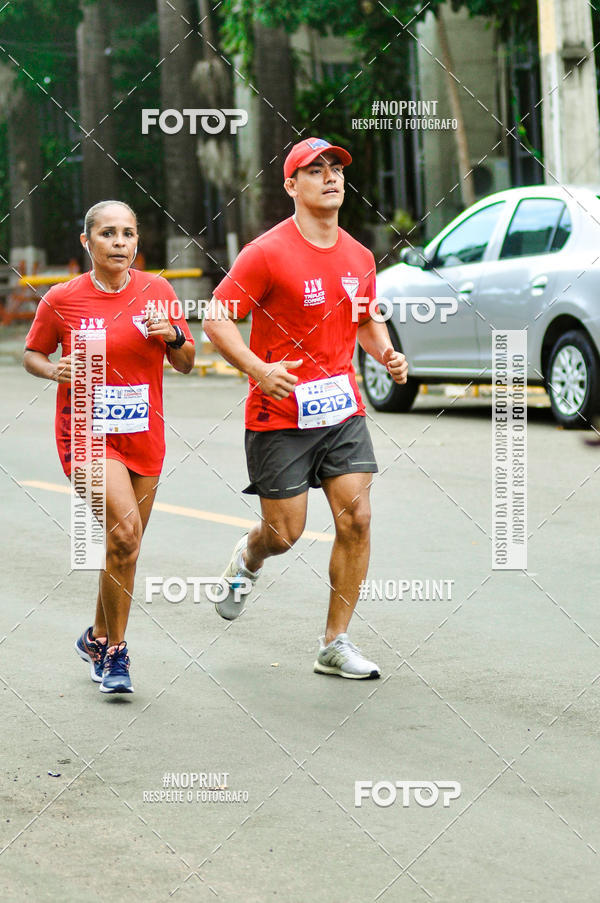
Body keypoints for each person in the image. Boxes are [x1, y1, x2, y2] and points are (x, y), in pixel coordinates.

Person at [203, 137, 408, 679]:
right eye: (314, 171)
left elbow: (365, 319)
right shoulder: (266, 253)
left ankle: (334, 642)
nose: (330, 177)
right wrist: (258, 369)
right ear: (291, 186)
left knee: (358, 518)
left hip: (341, 408)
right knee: (285, 534)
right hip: (281, 415)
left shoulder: (359, 255)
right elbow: (217, 318)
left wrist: (385, 351)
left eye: (336, 168)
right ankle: (248, 556)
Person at [23, 200, 195, 694]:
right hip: (85, 434)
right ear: (87, 242)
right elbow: (34, 353)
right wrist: (55, 369)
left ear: (137, 242)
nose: (119, 242)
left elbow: (186, 361)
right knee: (123, 534)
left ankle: (96, 636)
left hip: (143, 434)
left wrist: (175, 336)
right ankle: (116, 655)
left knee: (127, 544)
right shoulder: (62, 298)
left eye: (128, 234)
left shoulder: (157, 291)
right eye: (108, 234)